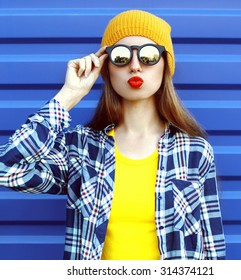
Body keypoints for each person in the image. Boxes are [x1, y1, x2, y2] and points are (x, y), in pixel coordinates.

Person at [0, 10, 225, 260]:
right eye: (121, 56)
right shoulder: (81, 148)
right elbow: (4, 168)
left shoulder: (195, 151)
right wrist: (69, 95)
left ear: (165, 65)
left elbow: (212, 247)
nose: (135, 66)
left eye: (149, 55)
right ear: (106, 67)